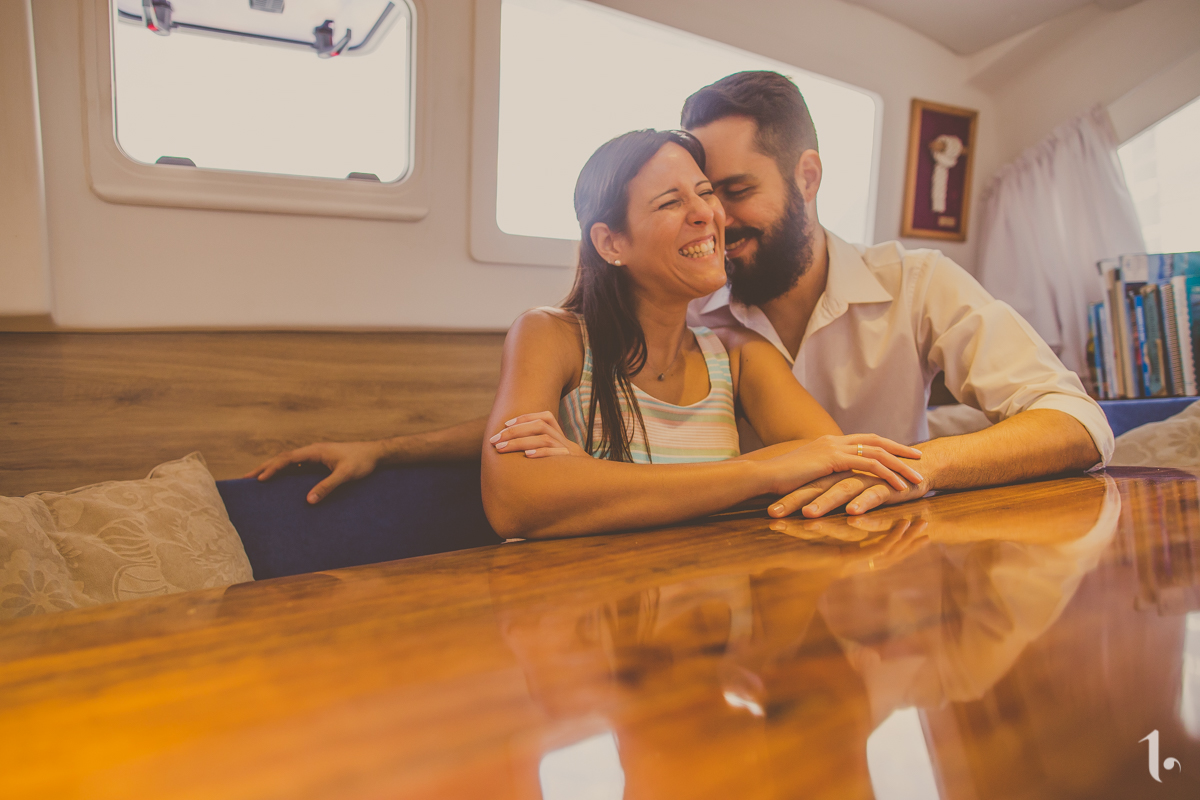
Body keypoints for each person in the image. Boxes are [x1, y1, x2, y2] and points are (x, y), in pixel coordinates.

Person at [249, 71, 1112, 520]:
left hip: (840, 554)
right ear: (614, 242)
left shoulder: (900, 287)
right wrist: (393, 449)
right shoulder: (676, 311)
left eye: (727, 190)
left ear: (806, 176)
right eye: (686, 195)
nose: (713, 217)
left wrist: (895, 475)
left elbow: (1074, 425)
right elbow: (567, 416)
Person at [476, 128, 922, 538]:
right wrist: (761, 472)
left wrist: (587, 474)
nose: (707, 213)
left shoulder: (738, 355)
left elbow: (832, 464)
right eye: (670, 202)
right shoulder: (552, 336)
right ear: (611, 243)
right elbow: (515, 501)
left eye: (705, 193)